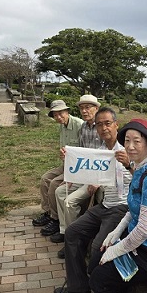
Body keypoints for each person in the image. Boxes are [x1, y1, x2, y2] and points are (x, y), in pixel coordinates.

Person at [89, 119, 147, 293]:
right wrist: (116, 232)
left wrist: (116, 249)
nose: (130, 146)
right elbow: (134, 208)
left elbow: (145, 230)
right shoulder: (140, 168)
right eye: (127, 141)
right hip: (140, 241)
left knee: (99, 280)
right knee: (94, 264)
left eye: (136, 141)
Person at [53, 107, 133, 293]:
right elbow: (84, 169)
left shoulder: (129, 150)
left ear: (116, 125)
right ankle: (78, 288)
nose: (104, 128)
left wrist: (129, 164)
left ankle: (98, 284)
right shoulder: (100, 152)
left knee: (99, 246)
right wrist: (69, 159)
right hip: (105, 206)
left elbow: (146, 178)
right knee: (72, 233)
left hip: (124, 209)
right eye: (99, 125)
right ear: (96, 128)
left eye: (107, 123)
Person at [44, 94, 103, 248]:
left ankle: (74, 238)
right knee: (60, 191)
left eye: (88, 107)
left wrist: (96, 179)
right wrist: (71, 175)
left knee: (69, 200)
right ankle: (65, 232)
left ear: (96, 108)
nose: (84, 111)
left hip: (97, 176)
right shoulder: (84, 127)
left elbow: (108, 157)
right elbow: (80, 154)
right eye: (82, 108)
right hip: (83, 172)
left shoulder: (102, 126)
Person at [32, 100, 84, 235]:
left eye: (61, 113)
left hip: (77, 168)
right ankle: (48, 212)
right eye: (55, 115)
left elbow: (84, 152)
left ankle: (55, 220)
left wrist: (71, 174)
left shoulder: (79, 125)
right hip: (66, 164)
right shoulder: (62, 126)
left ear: (67, 112)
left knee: (54, 184)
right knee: (45, 179)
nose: (58, 117)